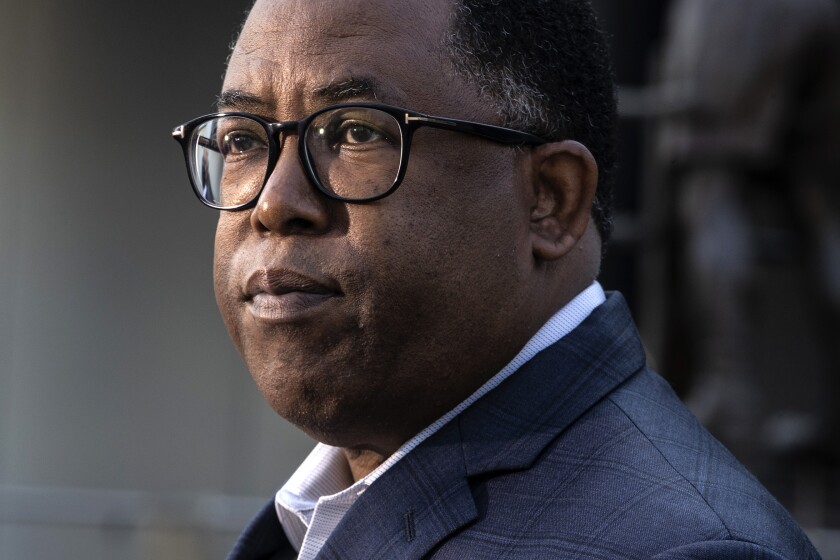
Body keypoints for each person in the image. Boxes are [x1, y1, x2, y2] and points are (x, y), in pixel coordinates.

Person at [171, 0, 821, 558]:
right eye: (242, 141)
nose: (274, 202)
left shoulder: (684, 548)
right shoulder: (327, 504)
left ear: (550, 199)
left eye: (357, 132)